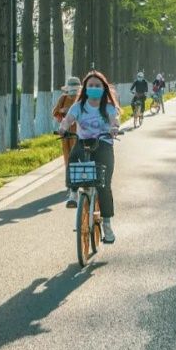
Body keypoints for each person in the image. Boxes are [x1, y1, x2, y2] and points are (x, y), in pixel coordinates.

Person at [59, 70, 120, 244]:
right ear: (85, 88)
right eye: (90, 85)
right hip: (84, 142)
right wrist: (63, 128)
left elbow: (114, 120)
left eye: (97, 86)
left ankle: (107, 225)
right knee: (72, 159)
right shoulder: (78, 106)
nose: (93, 88)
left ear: (103, 88)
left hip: (103, 144)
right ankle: (73, 193)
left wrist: (114, 128)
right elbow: (68, 119)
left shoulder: (108, 107)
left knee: (104, 186)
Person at [52, 76, 82, 207]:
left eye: (76, 89)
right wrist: (62, 112)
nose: (73, 92)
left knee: (79, 158)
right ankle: (70, 183)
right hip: (66, 133)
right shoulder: (63, 98)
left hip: (79, 133)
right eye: (72, 89)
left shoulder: (82, 99)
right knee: (68, 158)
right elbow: (55, 112)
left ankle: (79, 181)